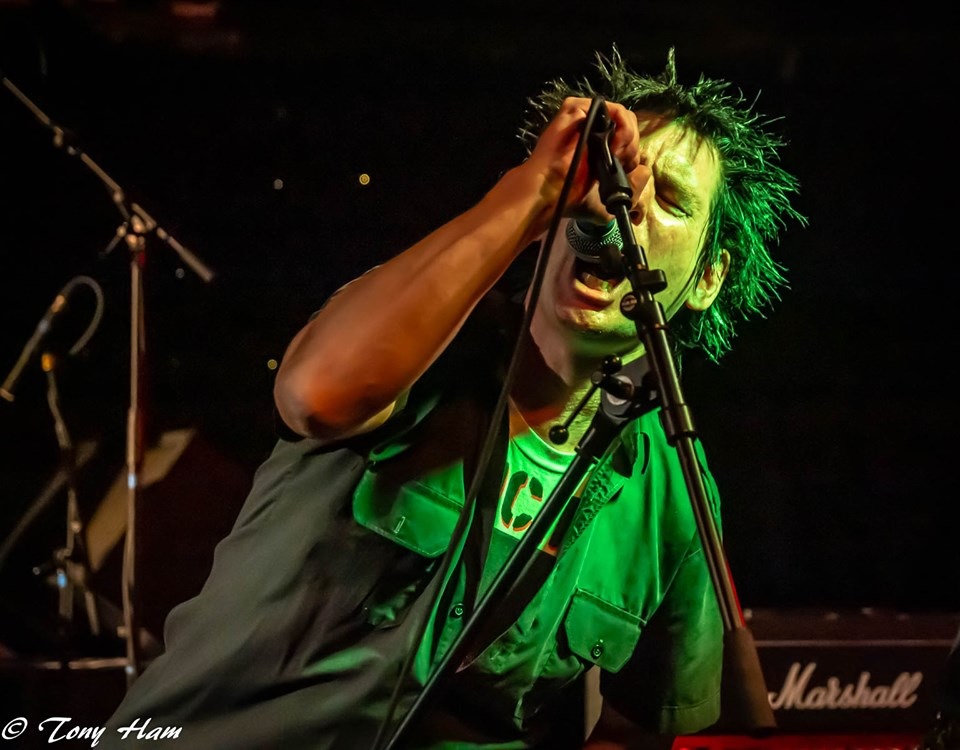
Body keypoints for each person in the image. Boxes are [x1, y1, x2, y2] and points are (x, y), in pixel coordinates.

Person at [99, 45, 804, 749]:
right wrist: (536, 189)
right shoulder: (422, 340)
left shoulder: (672, 489)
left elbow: (642, 731)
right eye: (614, 175)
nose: (627, 205)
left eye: (671, 199)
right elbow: (315, 395)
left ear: (708, 277)